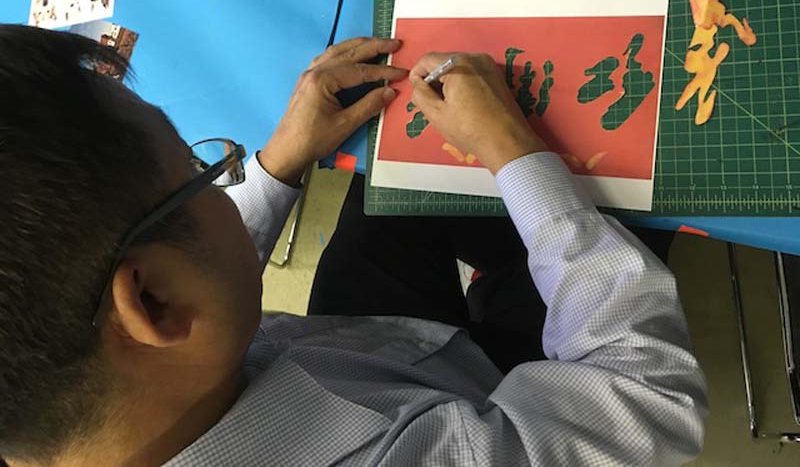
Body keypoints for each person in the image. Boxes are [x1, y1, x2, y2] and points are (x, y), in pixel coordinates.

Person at [0, 25, 706, 467]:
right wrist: (513, 153)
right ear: (154, 302)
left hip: (338, 350)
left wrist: (280, 161)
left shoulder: (93, 391)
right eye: (197, 172)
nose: (218, 178)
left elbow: (150, 268)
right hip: (489, 402)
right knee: (620, 209)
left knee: (387, 190)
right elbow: (649, 397)